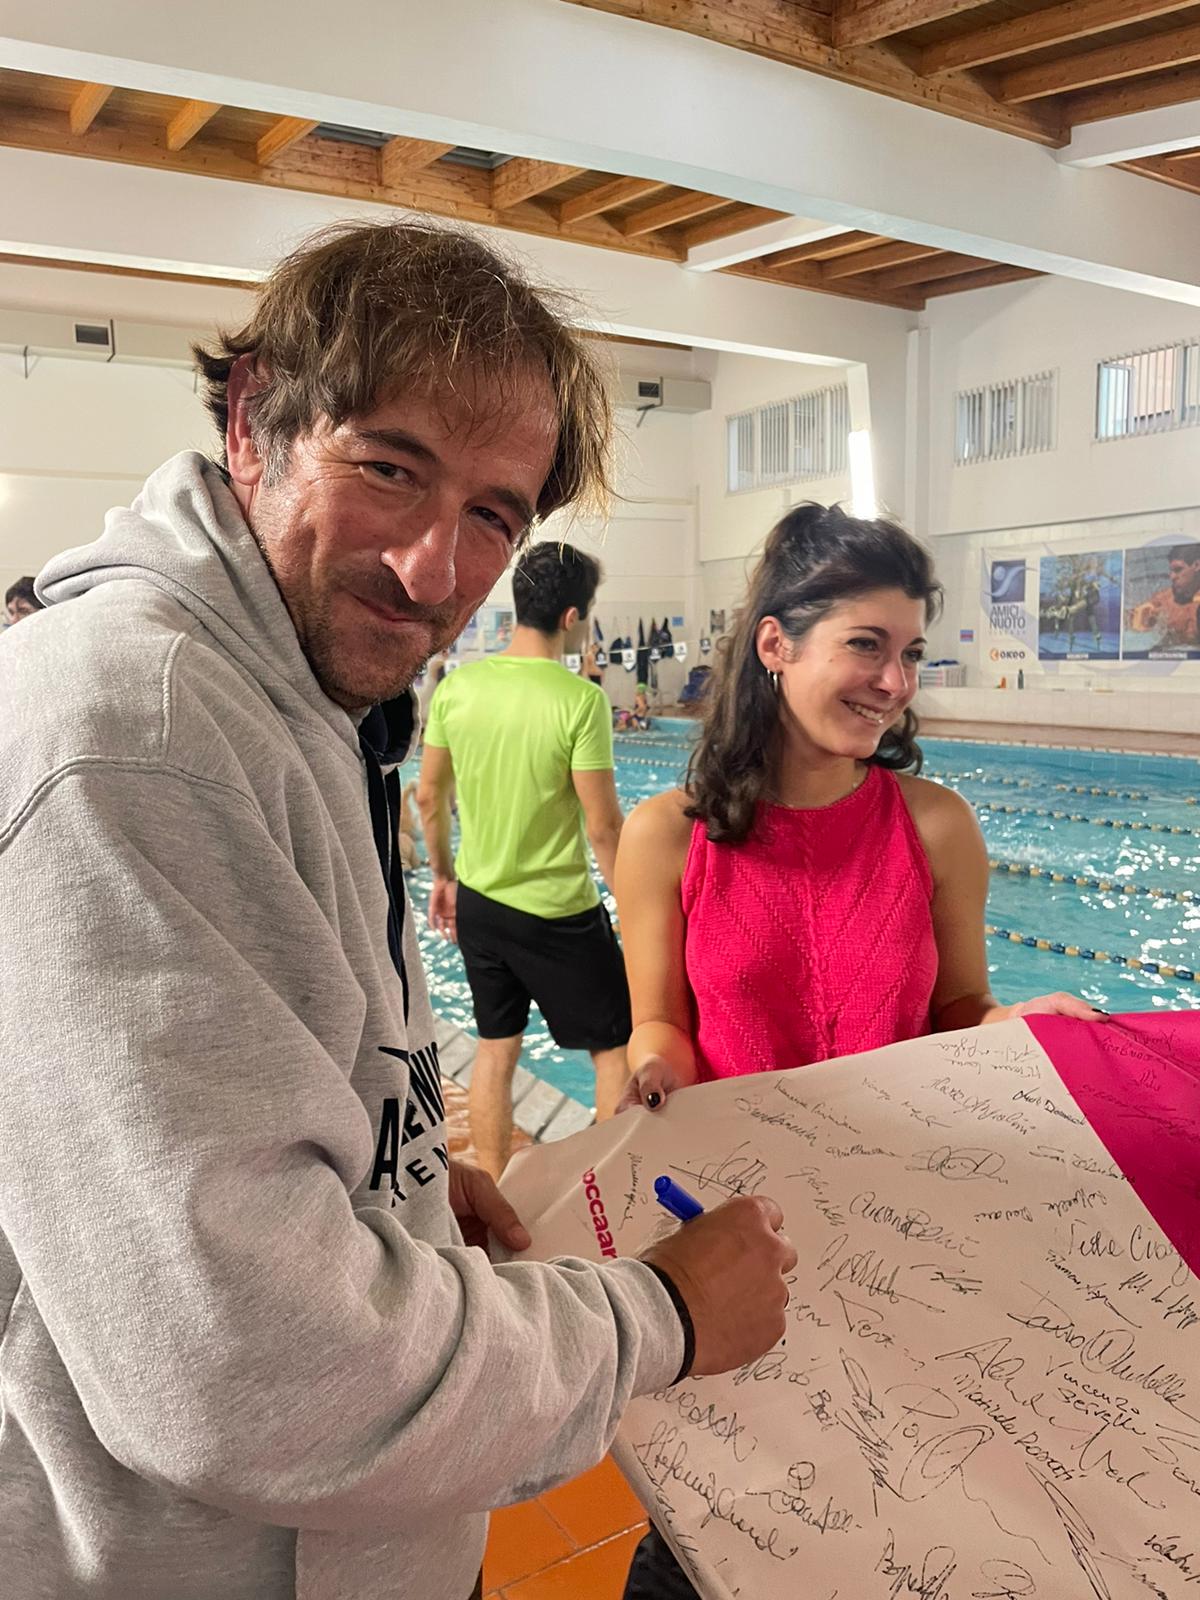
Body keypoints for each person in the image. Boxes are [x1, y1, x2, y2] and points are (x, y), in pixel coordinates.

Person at [0, 220, 798, 1600]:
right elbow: (243, 1372)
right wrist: (659, 1315)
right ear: (256, 418)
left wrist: (401, 1178)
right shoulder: (140, 729)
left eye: (492, 512)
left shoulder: (300, 690)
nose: (435, 570)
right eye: (389, 469)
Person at [613, 503, 1106, 1598]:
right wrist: (655, 1064)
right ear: (777, 645)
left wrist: (1020, 1027)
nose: (895, 681)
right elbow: (661, 1023)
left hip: (901, 1232)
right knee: (709, 1532)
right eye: (867, 646)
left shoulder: (933, 825)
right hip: (735, 1235)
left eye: (912, 652)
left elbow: (963, 1006)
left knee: (898, 1516)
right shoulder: (668, 835)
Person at [417, 540, 630, 1178]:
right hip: (559, 913)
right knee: (613, 1050)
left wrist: (444, 877)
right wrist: (635, 910)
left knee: (494, 1049)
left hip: (481, 905)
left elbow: (428, 796)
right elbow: (603, 826)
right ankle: (601, 1190)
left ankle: (498, 1194)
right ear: (572, 618)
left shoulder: (460, 688)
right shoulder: (579, 700)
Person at [1128, 542, 1200, 651]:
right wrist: (1138, 619)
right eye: (1171, 571)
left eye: (1178, 570)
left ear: (1196, 565)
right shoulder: (1164, 599)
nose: (1172, 577)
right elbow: (1130, 623)